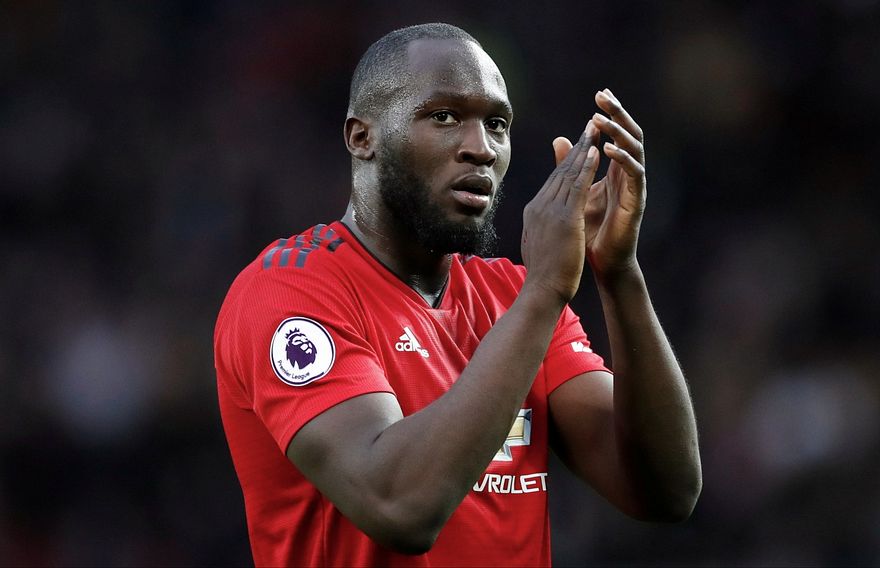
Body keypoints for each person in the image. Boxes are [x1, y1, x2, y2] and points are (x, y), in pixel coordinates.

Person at [214, 22, 701, 567]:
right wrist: (544, 291)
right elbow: (400, 507)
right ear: (362, 137)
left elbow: (666, 492)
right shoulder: (289, 290)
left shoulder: (511, 297)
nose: (481, 149)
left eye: (497, 124)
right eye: (444, 116)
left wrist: (619, 274)